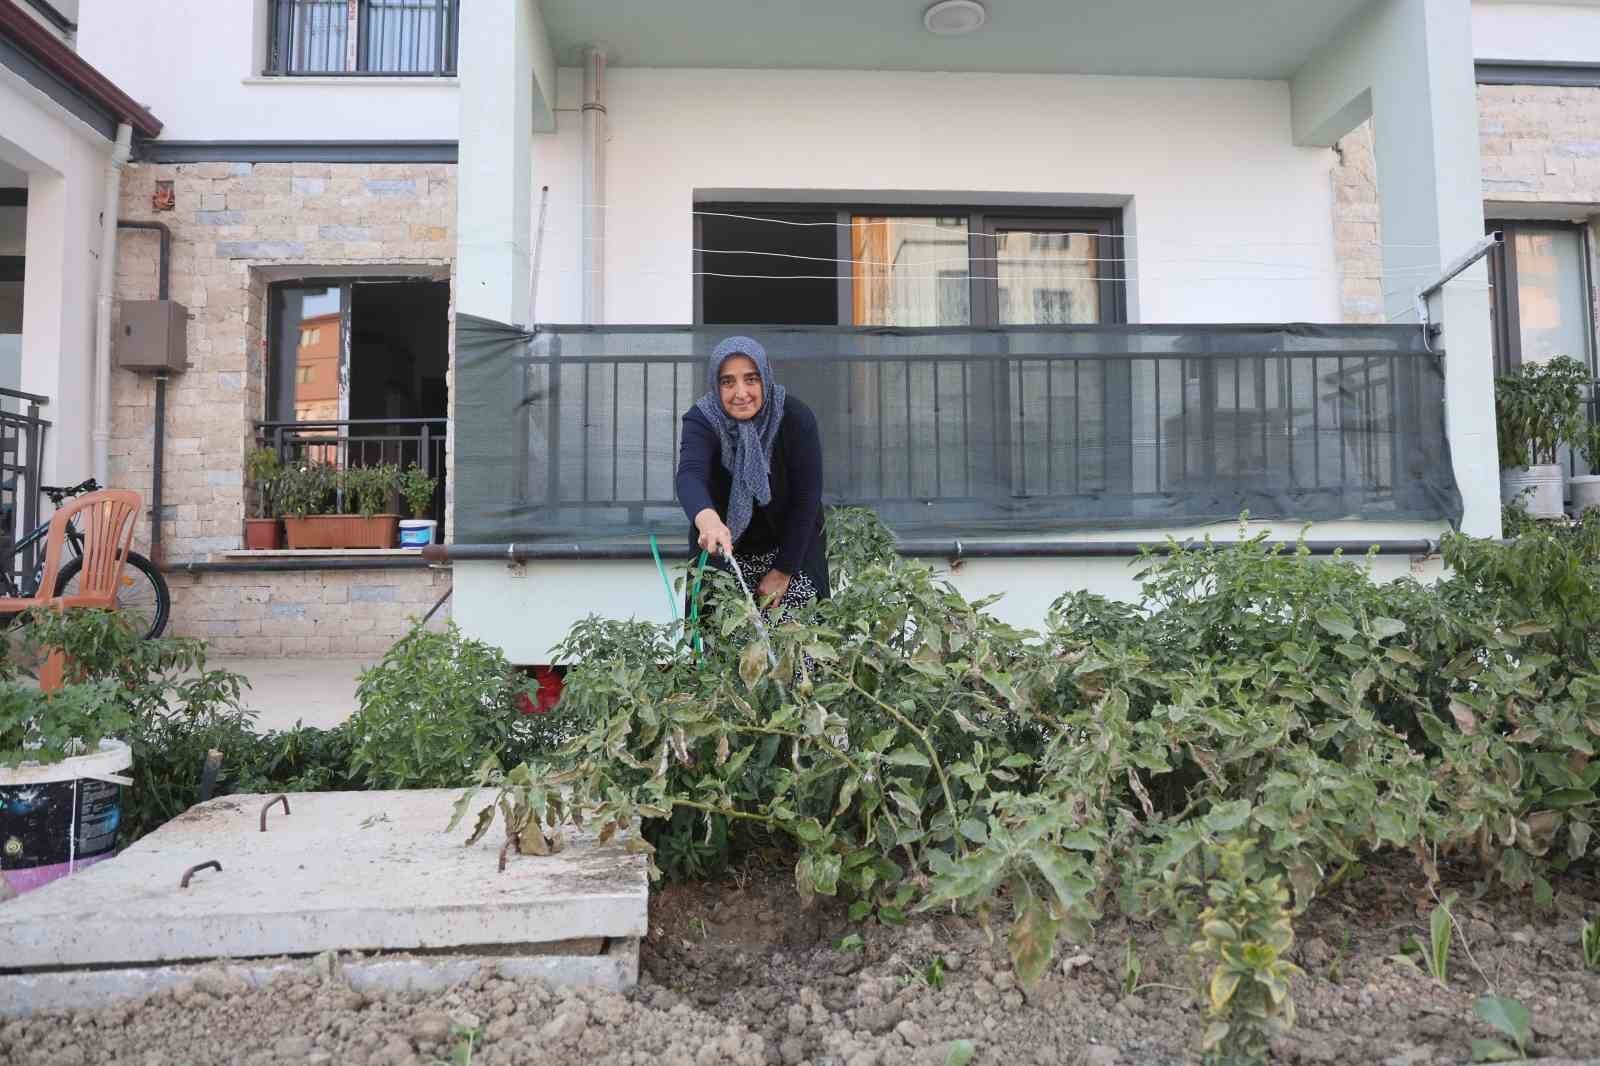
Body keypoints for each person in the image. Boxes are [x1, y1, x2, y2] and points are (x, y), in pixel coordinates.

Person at [676, 336, 828, 620]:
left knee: (797, 649)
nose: (741, 392)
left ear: (765, 377)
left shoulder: (795, 417)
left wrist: (783, 572)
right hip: (725, 551)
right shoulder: (702, 419)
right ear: (715, 384)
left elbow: (807, 499)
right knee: (721, 644)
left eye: (751, 379)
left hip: (791, 549)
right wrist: (707, 520)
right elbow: (689, 474)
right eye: (727, 382)